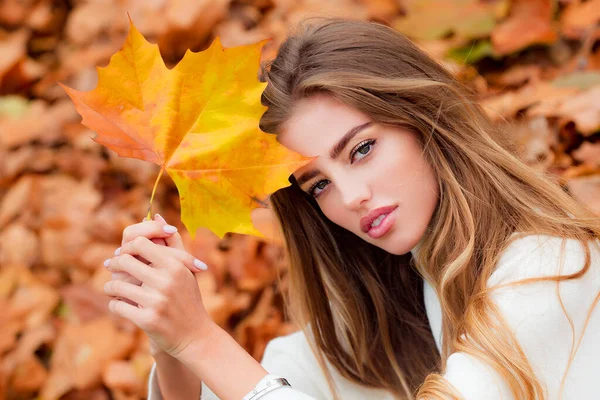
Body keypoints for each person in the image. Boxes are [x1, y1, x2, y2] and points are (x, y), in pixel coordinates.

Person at [102, 18, 600, 400]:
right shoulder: (405, 288)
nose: (350, 196)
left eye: (361, 149)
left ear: (423, 119)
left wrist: (200, 340)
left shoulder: (547, 269)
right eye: (318, 184)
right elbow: (268, 381)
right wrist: (169, 339)